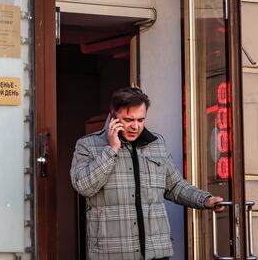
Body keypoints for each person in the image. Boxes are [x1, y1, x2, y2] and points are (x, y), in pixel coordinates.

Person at [70, 87, 224, 260]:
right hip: (111, 253)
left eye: (141, 120)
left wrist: (204, 199)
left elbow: (174, 186)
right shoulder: (87, 146)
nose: (135, 126)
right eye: (128, 120)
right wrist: (111, 149)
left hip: (156, 252)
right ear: (113, 116)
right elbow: (84, 187)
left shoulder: (156, 144)